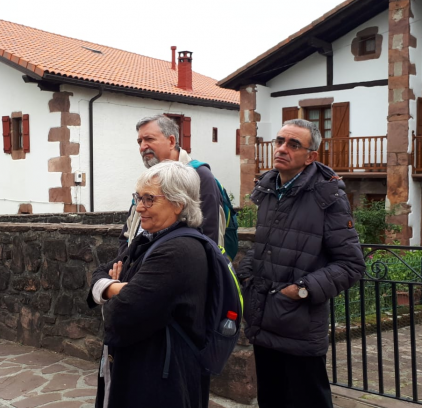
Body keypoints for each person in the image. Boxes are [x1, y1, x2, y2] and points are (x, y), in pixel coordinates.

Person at [236, 119, 365, 408]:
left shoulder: (327, 196)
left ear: (311, 157)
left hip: (299, 326)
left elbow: (351, 265)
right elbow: (266, 247)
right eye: (279, 141)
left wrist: (300, 290)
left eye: (293, 144)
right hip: (262, 320)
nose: (282, 149)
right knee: (271, 401)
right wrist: (247, 277)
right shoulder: (269, 189)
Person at [88, 160, 211, 408]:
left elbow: (120, 314)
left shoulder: (177, 250)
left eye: (149, 199)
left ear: (178, 204)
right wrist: (115, 287)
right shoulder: (148, 239)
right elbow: (99, 273)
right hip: (145, 367)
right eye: (138, 198)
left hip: (160, 379)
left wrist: (116, 290)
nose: (139, 208)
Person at [118, 115, 222, 255]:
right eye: (139, 141)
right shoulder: (150, 179)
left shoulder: (200, 176)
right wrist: (125, 263)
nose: (142, 147)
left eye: (149, 139)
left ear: (171, 141)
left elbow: (208, 236)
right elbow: (129, 230)